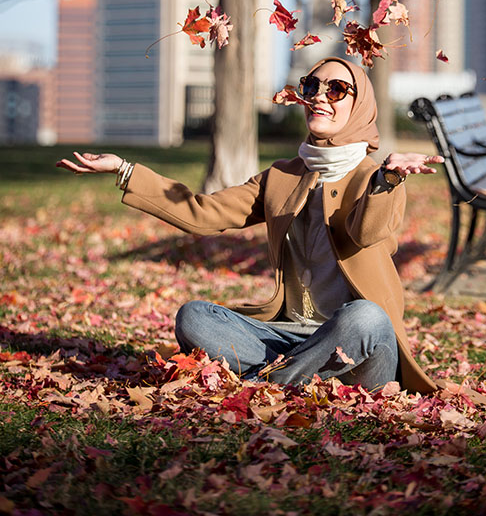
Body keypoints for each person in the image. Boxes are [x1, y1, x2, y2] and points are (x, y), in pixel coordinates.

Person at [57, 56, 446, 395]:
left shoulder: (376, 177)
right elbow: (202, 213)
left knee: (365, 315)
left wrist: (388, 182)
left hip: (360, 348)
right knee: (194, 316)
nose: (319, 96)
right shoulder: (281, 177)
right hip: (288, 337)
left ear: (360, 107)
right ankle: (294, 377)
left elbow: (367, 235)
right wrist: (125, 170)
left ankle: (264, 386)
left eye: (337, 89)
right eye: (312, 86)